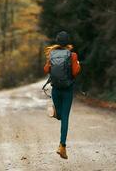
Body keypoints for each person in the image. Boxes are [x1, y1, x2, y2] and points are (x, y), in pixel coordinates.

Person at [43, 31, 81, 159]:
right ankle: (62, 146)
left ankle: (55, 112)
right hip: (67, 90)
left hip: (56, 90)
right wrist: (78, 66)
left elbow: (46, 70)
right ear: (68, 42)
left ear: (57, 41)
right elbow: (75, 72)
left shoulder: (52, 54)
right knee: (64, 118)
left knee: (59, 116)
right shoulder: (72, 55)